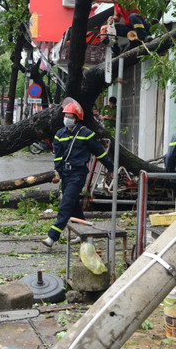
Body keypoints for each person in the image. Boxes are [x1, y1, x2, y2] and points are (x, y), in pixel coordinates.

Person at [40, 102, 113, 248]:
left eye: (70, 116)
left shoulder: (86, 134)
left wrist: (111, 168)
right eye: (65, 115)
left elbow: (100, 153)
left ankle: (52, 236)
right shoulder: (60, 134)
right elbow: (58, 157)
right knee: (73, 206)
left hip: (78, 174)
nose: (67, 118)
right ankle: (84, 234)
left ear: (76, 118)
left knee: (65, 204)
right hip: (66, 175)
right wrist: (57, 173)